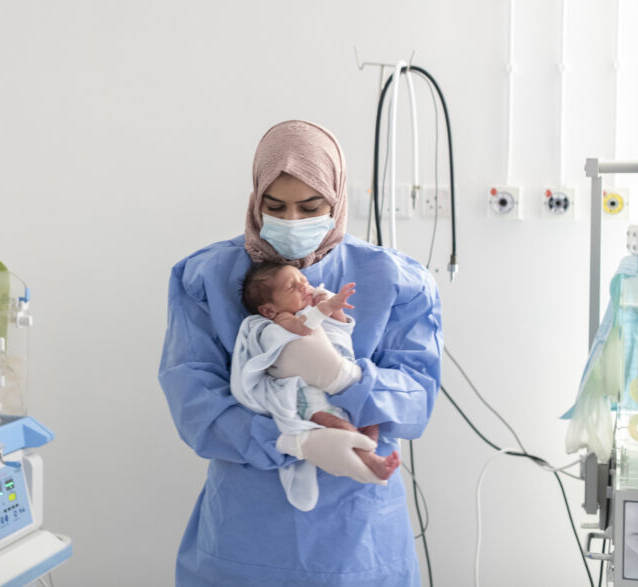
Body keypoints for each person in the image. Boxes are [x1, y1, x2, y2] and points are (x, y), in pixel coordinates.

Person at [159, 120, 442, 586]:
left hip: (358, 538)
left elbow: (414, 405)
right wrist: (295, 442)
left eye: (310, 207)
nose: (291, 222)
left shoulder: (397, 281)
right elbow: (195, 405)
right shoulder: (205, 277)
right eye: (276, 206)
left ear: (338, 198)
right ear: (255, 200)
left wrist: (346, 379)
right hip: (248, 535)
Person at [232, 261, 400, 507]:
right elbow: (302, 330)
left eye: (303, 280)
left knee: (370, 415)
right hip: (304, 392)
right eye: (292, 286)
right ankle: (371, 459)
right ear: (268, 310)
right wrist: (325, 307)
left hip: (339, 380)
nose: (304, 286)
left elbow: (340, 330)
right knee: (332, 422)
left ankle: (370, 445)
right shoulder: (282, 320)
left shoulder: (308, 308)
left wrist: (335, 309)